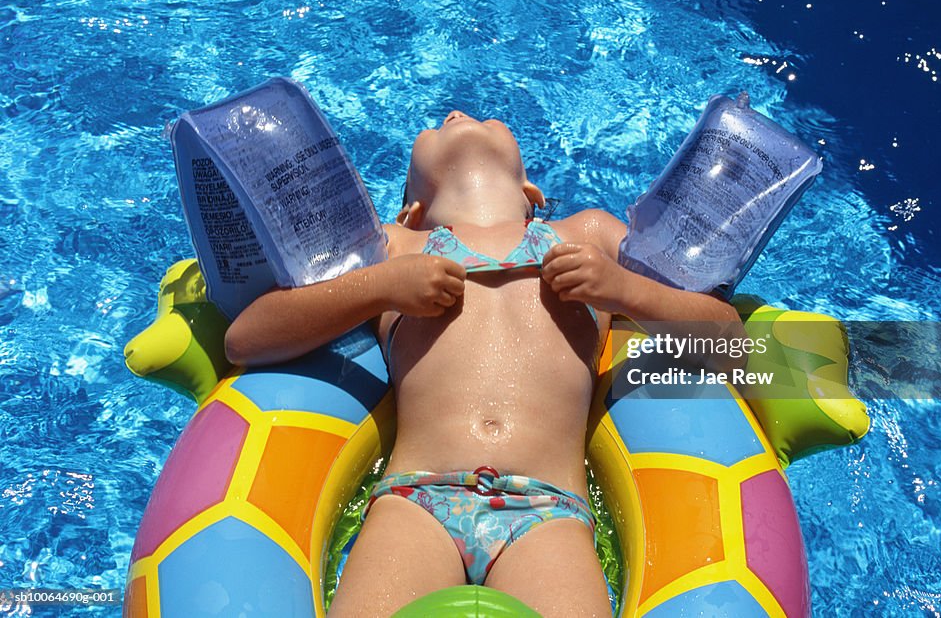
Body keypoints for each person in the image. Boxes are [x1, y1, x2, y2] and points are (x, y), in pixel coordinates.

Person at [224, 110, 742, 617]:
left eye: (488, 119)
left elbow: (729, 342)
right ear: (413, 209)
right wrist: (380, 286)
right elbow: (246, 339)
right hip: (415, 498)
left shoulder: (587, 234)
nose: (455, 113)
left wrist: (625, 290)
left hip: (550, 510)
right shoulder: (393, 245)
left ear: (531, 196)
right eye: (435, 125)